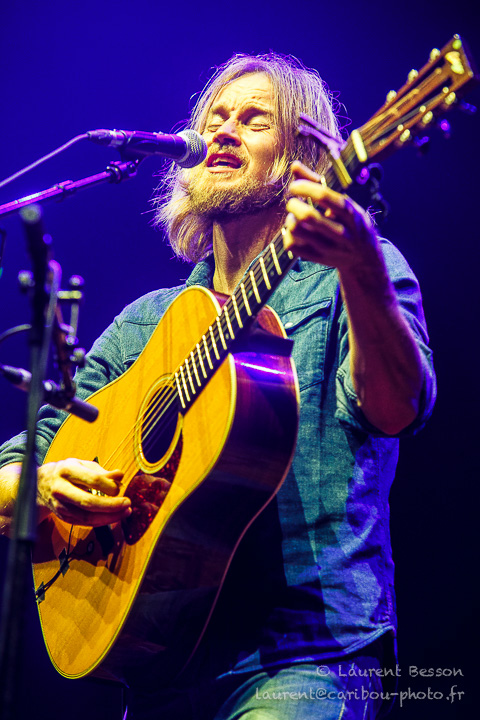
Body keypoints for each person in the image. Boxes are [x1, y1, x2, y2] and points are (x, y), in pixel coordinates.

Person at [0, 53, 436, 719]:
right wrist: (43, 485)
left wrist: (362, 269)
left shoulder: (353, 274)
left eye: (254, 121)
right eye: (214, 120)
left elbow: (398, 409)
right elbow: (16, 468)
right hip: (159, 661)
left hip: (306, 654)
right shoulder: (145, 324)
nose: (223, 131)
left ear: (305, 158)